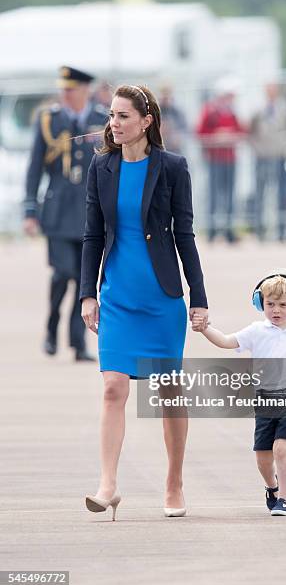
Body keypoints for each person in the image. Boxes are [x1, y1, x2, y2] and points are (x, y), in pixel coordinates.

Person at [80, 84, 208, 520]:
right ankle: (107, 484)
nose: (113, 124)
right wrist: (86, 295)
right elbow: (93, 235)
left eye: (123, 117)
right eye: (111, 116)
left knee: (168, 394)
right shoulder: (101, 167)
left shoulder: (172, 167)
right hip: (117, 296)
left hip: (161, 299)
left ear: (146, 121)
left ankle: (174, 481)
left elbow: (184, 236)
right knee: (113, 386)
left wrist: (199, 297)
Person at [192, 270, 286, 516]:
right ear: (260, 303)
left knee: (281, 450)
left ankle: (285, 501)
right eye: (270, 304)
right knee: (263, 458)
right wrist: (205, 329)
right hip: (265, 399)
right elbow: (226, 341)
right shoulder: (256, 331)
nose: (276, 310)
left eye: (283, 305)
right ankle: (272, 486)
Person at [23, 65, 108, 361]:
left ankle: (77, 343)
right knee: (64, 273)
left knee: (84, 280)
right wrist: (30, 210)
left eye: (70, 89)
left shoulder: (101, 118)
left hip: (89, 214)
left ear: (85, 90)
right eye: (63, 89)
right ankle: (51, 327)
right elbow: (35, 166)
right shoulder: (50, 119)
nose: (65, 94)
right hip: (58, 212)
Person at [196, 77, 245, 243]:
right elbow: (200, 132)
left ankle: (229, 230)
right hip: (215, 159)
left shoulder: (232, 112)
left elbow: (240, 130)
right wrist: (217, 136)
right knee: (214, 195)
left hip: (230, 158)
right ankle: (212, 230)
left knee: (230, 195)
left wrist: (230, 134)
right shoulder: (210, 111)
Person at [250, 82, 286, 241]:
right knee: (261, 193)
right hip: (262, 156)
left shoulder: (284, 108)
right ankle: (260, 231)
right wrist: (256, 149)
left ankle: (281, 231)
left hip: (280, 155)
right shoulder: (258, 108)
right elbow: (251, 130)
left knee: (282, 194)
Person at [158, 83, 187, 154]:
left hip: (175, 150)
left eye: (167, 94)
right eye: (163, 94)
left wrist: (179, 137)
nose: (165, 98)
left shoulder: (177, 112)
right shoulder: (155, 112)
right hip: (159, 150)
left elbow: (185, 129)